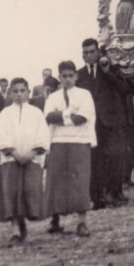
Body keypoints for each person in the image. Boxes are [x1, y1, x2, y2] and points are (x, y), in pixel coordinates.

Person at [77, 38, 134, 208]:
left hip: (112, 122)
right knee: (95, 160)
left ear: (98, 52)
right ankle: (97, 197)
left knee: (116, 156)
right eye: (85, 53)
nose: (89, 55)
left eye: (92, 52)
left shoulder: (112, 69)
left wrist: (108, 71)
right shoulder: (79, 74)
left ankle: (115, 193)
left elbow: (126, 89)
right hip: (90, 124)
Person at [0, 78, 50, 244]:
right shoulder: (5, 114)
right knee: (11, 192)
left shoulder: (36, 113)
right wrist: (15, 153)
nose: (19, 95)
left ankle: (24, 219)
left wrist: (32, 153)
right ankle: (15, 228)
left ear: (28, 92)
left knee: (28, 190)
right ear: (10, 93)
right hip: (11, 159)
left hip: (31, 159)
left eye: (22, 91)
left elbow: (42, 135)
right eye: (15, 91)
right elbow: (1, 136)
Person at [44, 60, 96, 236]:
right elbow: (49, 116)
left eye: (70, 76)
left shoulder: (84, 95)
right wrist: (69, 114)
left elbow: (83, 117)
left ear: (76, 77)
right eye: (64, 76)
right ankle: (55, 219)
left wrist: (63, 117)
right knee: (56, 180)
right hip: (57, 141)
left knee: (79, 180)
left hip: (79, 141)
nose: (67, 79)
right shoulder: (52, 97)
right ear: (59, 77)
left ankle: (82, 222)